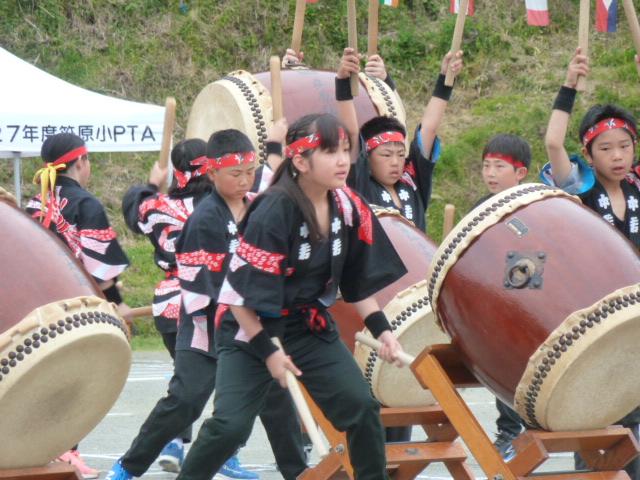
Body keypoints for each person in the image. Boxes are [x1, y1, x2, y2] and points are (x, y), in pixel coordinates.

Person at [174, 113, 407, 480]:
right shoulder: (274, 209)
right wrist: (270, 352)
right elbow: (237, 296)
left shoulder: (348, 205)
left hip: (307, 326)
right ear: (300, 161)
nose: (342, 161)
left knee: (362, 408)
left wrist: (384, 332)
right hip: (249, 332)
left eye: (345, 150)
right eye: (330, 152)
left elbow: (357, 282)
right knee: (230, 427)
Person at [106, 127, 306, 480]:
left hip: (252, 325)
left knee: (277, 399)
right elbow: (211, 287)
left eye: (249, 172)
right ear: (212, 173)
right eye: (235, 173)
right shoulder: (204, 220)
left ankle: (298, 472)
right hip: (206, 324)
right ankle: (127, 467)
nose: (244, 181)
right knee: (186, 400)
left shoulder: (260, 207)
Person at [541, 47, 640, 479]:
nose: (618, 156)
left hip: (635, 319)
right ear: (589, 152)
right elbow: (552, 142)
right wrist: (569, 85)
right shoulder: (579, 187)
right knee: (598, 419)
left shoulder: (636, 187)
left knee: (634, 418)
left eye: (625, 146)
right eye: (606, 148)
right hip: (594, 321)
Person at [25, 132, 130, 479]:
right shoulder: (86, 205)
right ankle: (67, 451)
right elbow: (102, 270)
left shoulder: (34, 204)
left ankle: (44, 450)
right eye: (88, 161)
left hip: (35, 309)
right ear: (81, 162)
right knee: (76, 382)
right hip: (75, 312)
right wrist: (119, 304)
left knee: (42, 381)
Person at [121, 139, 213, 472]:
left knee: (185, 380)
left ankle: (174, 441)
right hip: (208, 300)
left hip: (169, 304)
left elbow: (134, 209)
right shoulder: (219, 205)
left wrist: (151, 183)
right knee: (229, 378)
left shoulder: (156, 206)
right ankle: (225, 450)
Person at [336, 47, 463, 232]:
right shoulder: (361, 184)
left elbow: (429, 128)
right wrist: (342, 81)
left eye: (401, 154)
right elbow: (351, 132)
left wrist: (445, 78)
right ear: (368, 157)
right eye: (386, 155)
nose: (396, 162)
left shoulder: (412, 179)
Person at [473, 133, 532, 460]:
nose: (490, 173)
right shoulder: (480, 209)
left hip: (527, 303)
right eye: (486, 166)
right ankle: (509, 432)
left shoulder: (534, 207)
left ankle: (529, 430)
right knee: (502, 369)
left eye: (499, 166)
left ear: (520, 172)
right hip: (493, 304)